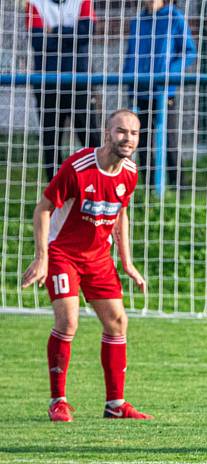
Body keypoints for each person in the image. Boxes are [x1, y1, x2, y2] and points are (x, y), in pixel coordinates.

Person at [21, 109, 151, 422]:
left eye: (133, 133)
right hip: (63, 254)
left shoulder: (130, 172)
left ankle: (116, 404)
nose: (128, 138)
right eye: (121, 131)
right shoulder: (78, 167)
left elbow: (120, 214)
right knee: (68, 323)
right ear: (107, 133)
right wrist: (42, 257)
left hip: (99, 258)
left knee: (117, 323)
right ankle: (58, 400)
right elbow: (43, 208)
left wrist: (128, 262)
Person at [26, 0, 102, 181]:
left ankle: (96, 185)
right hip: (48, 83)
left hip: (79, 82)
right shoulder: (34, 3)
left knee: (90, 137)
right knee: (50, 141)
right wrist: (70, 34)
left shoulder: (83, 1)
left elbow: (86, 32)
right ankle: (55, 195)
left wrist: (54, 31)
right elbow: (37, 40)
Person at [123, 0, 196, 188]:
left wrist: (169, 72)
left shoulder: (174, 17)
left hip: (163, 91)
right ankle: (147, 185)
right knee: (141, 140)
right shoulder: (137, 22)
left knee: (168, 139)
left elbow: (189, 51)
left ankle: (178, 185)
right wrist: (128, 77)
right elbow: (131, 53)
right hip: (140, 90)